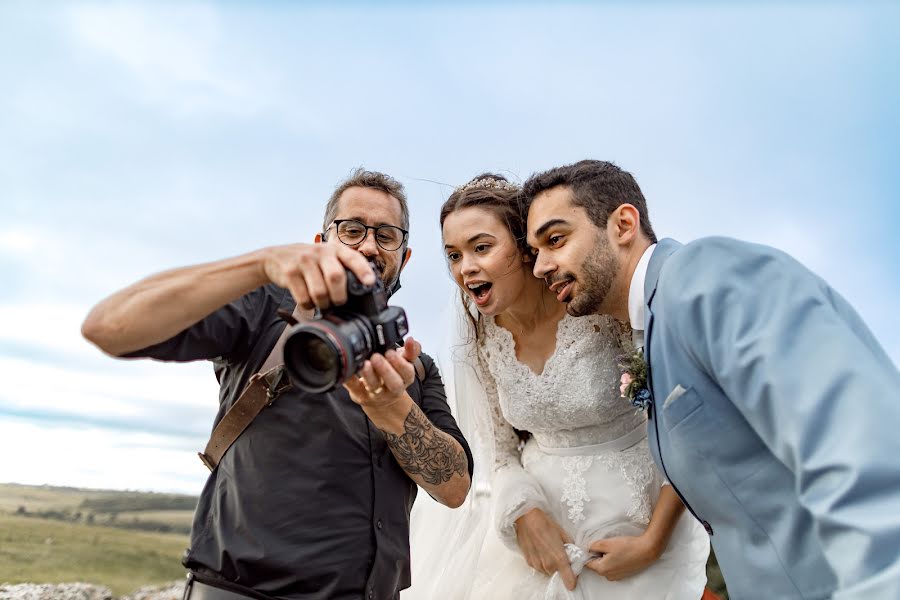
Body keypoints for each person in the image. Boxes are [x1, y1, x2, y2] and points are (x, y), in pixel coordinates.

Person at [81, 168, 473, 600]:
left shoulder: (414, 367)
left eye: (386, 235)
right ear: (321, 243)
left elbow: (454, 488)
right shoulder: (264, 309)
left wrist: (392, 410)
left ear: (405, 256)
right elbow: (109, 327)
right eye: (352, 229)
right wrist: (261, 264)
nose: (367, 245)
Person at [522, 159, 900, 600]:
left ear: (623, 224)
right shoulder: (650, 337)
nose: (540, 267)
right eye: (535, 253)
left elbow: (854, 438)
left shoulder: (702, 273)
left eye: (556, 239)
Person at [408, 174, 708, 599]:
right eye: (453, 255)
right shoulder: (480, 334)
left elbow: (678, 428)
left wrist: (652, 541)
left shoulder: (594, 304)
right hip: (541, 534)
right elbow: (500, 449)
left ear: (523, 246)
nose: (465, 268)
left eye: (481, 247)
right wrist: (523, 510)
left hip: (639, 522)